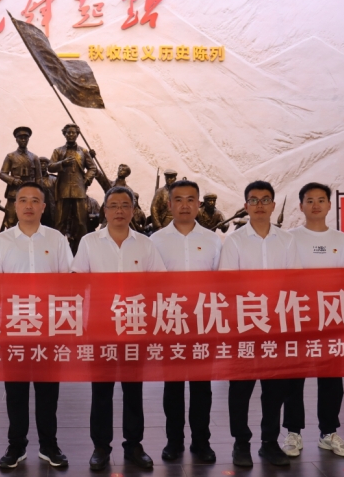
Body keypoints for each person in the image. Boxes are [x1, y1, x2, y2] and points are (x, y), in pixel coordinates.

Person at [0, 182, 73, 469]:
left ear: (44, 206)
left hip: (48, 329)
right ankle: (16, 446)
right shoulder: (1, 242)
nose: (29, 205)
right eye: (23, 200)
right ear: (15, 205)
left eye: (35, 200)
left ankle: (49, 445)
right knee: (15, 392)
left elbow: (68, 283)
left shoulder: (57, 240)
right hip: (14, 328)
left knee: (48, 392)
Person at [72, 186, 166, 471]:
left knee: (133, 390)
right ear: (105, 210)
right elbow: (77, 283)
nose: (119, 211)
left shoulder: (145, 244)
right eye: (113, 205)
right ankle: (101, 447)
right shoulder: (89, 242)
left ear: (133, 210)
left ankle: (134, 444)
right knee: (101, 390)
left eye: (125, 205)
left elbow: (158, 284)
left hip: (135, 326)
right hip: (100, 328)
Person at [218, 180, 299, 468]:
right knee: (240, 389)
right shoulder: (234, 241)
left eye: (265, 200)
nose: (260, 205)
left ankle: (269, 442)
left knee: (275, 389)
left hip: (277, 326)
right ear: (246, 206)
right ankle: (241, 443)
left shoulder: (287, 240)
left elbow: (294, 283)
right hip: (245, 326)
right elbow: (228, 285)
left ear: (273, 205)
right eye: (254, 200)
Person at [280, 183, 344, 460]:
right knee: (293, 378)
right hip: (296, 318)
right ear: (300, 206)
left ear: (329, 205)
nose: (315, 205)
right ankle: (293, 432)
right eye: (309, 200)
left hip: (330, 319)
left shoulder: (342, 240)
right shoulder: (288, 238)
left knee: (332, 379)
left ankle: (328, 432)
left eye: (321, 200)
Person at [150, 180, 221, 464]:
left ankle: (202, 442)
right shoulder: (156, 241)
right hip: (171, 322)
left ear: (199, 204)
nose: (184, 205)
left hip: (204, 322)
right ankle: (174, 441)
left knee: (202, 387)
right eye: (178, 199)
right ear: (169, 204)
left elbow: (223, 283)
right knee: (173, 386)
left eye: (191, 199)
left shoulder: (213, 240)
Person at [48, 123, 97, 251]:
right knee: (60, 221)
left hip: (79, 190)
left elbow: (92, 167)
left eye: (73, 132)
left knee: (81, 222)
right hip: (63, 190)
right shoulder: (58, 151)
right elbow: (50, 167)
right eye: (68, 132)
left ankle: (82, 250)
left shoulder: (83, 151)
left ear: (77, 134)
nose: (71, 135)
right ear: (64, 134)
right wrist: (62, 163)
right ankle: (56, 249)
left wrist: (85, 181)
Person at [0, 126, 42, 230]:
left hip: (30, 195)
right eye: (21, 138)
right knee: (11, 220)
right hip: (14, 193)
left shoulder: (34, 157)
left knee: (30, 220)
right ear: (16, 140)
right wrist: (13, 180)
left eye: (25, 138)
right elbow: (2, 174)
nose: (23, 140)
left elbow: (39, 178)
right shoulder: (10, 156)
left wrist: (39, 195)